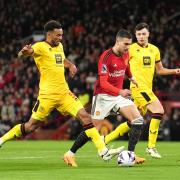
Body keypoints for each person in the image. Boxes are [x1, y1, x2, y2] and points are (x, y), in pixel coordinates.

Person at [0, 20, 122, 167]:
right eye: (58, 35)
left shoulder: (60, 46)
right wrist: (24, 52)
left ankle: (103, 151)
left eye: (61, 35)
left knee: (85, 117)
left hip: (65, 93)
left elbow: (62, 60)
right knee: (30, 127)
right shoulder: (40, 47)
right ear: (49, 34)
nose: (60, 38)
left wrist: (70, 65)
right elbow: (24, 53)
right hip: (47, 96)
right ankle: (2, 140)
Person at [63, 29, 145, 167]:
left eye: (130, 44)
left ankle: (130, 155)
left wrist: (132, 78)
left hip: (118, 95)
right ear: (117, 41)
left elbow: (127, 66)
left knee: (137, 120)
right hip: (103, 96)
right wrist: (120, 91)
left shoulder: (126, 53)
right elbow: (103, 83)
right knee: (92, 129)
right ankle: (70, 154)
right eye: (126, 44)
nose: (128, 47)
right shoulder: (106, 57)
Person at [104, 22, 180, 158]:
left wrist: (175, 70)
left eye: (144, 34)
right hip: (138, 88)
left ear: (148, 34)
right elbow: (120, 64)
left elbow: (160, 70)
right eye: (138, 34)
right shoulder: (130, 49)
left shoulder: (154, 50)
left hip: (148, 88)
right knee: (159, 111)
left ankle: (105, 140)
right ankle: (151, 147)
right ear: (135, 36)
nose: (141, 37)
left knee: (134, 120)